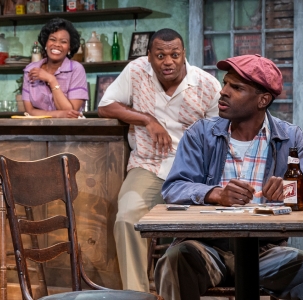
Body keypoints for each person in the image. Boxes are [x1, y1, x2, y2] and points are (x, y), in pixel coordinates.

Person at [154, 54, 303, 300]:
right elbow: (174, 188)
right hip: (206, 248)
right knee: (172, 261)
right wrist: (215, 194)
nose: (223, 92)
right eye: (225, 83)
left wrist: (289, 190)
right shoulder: (200, 134)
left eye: (236, 87)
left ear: (262, 100)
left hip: (264, 253)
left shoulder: (290, 138)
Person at [97, 28, 221, 292]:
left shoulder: (207, 84)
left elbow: (219, 135)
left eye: (174, 54)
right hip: (148, 165)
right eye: (161, 55)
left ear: (183, 54)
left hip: (192, 172)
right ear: (149, 56)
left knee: (206, 227)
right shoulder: (136, 71)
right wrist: (147, 119)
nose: (168, 61)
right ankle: (136, 295)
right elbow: (106, 106)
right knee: (127, 218)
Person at [22, 18, 88, 118]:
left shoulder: (76, 69)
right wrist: (58, 114)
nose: (57, 45)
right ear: (45, 43)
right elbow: (30, 110)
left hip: (67, 131)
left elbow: (71, 113)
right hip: (36, 130)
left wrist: (51, 80)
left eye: (63, 41)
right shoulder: (30, 69)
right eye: (52, 39)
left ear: (69, 48)